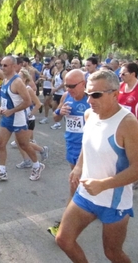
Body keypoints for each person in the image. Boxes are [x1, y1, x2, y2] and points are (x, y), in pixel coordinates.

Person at [56, 70, 138, 263]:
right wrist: (79, 166)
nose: (89, 100)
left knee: (112, 253)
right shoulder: (90, 114)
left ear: (115, 94)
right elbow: (86, 144)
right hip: (86, 194)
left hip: (114, 202)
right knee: (64, 240)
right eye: (88, 94)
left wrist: (103, 185)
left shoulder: (127, 123)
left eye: (96, 95)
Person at [47, 69, 90, 237]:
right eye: (67, 85)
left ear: (83, 83)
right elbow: (55, 117)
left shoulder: (92, 98)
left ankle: (64, 225)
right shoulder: (66, 96)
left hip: (88, 149)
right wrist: (59, 112)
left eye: (73, 86)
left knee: (75, 185)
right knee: (82, 184)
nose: (69, 89)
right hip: (71, 145)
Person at [0, 56, 44, 181]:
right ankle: (2, 171)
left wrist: (11, 111)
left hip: (18, 119)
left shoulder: (17, 81)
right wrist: (1, 108)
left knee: (24, 145)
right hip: (6, 118)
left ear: (13, 66)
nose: (2, 67)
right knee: (0, 144)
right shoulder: (5, 79)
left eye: (5, 65)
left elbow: (28, 102)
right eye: (1, 64)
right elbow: (7, 99)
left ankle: (37, 165)